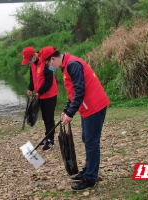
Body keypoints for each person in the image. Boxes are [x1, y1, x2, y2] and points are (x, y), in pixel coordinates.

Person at [38, 46, 110, 191]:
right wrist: (66, 111)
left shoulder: (72, 65)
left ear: (52, 59)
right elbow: (72, 92)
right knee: (86, 138)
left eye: (47, 64)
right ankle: (87, 169)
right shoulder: (67, 65)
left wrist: (71, 113)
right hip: (87, 108)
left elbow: (80, 90)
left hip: (94, 106)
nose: (49, 68)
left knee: (91, 142)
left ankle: (90, 179)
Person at [22, 47, 58, 151]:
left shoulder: (45, 61)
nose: (29, 62)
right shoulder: (32, 64)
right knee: (44, 117)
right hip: (40, 95)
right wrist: (30, 88)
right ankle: (47, 136)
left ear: (34, 55)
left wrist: (39, 91)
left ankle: (50, 140)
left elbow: (49, 81)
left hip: (50, 94)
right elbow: (32, 78)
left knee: (49, 117)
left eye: (29, 59)